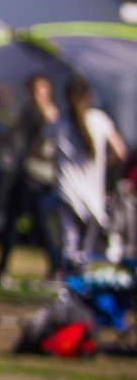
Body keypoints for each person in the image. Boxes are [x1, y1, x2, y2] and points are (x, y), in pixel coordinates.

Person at [0, 74, 64, 283]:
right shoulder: (28, 111)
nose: (36, 95)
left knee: (40, 223)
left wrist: (35, 150)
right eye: (33, 90)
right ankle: (1, 268)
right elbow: (13, 131)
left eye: (40, 90)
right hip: (25, 172)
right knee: (12, 219)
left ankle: (57, 267)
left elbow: (51, 147)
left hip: (40, 176)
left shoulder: (51, 115)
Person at [56, 74, 128, 270]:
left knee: (69, 241)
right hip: (92, 194)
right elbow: (121, 152)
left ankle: (68, 286)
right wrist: (104, 162)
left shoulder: (60, 123)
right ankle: (81, 285)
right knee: (86, 247)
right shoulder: (100, 119)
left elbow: (37, 149)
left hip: (67, 190)